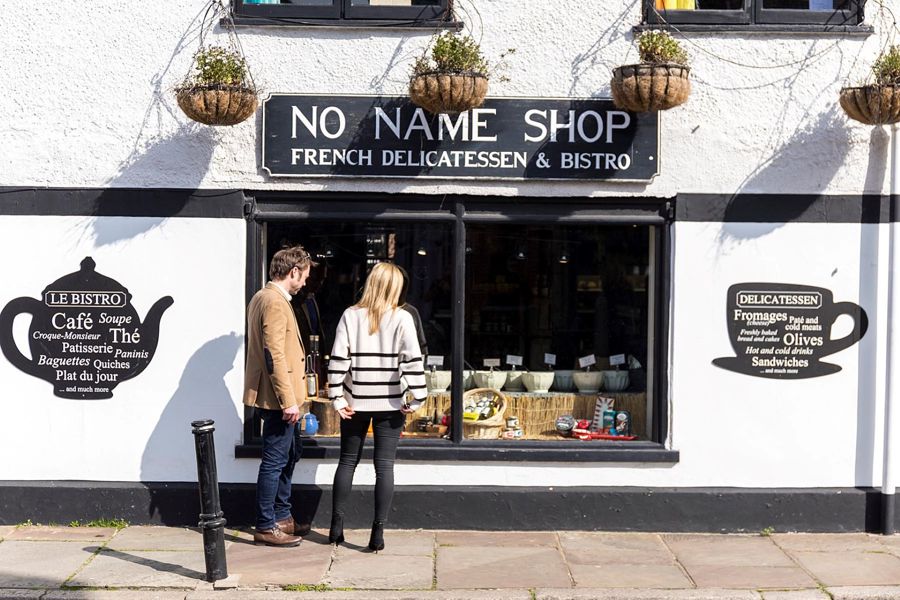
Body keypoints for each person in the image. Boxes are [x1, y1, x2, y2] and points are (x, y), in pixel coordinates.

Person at [327, 262, 427, 552]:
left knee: (347, 462)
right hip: (390, 402)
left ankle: (336, 527)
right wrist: (417, 398)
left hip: (354, 401)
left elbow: (338, 359)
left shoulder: (350, 315)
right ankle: (377, 533)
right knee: (384, 467)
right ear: (394, 287)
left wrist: (336, 398)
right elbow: (412, 362)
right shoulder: (403, 318)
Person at [243, 245, 316, 547]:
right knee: (274, 462)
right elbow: (273, 354)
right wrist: (288, 401)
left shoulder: (264, 297)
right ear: (293, 271)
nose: (305, 282)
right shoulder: (274, 301)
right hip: (278, 401)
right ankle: (265, 524)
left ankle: (282, 516)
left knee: (289, 454)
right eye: (305, 276)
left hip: (281, 398)